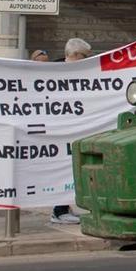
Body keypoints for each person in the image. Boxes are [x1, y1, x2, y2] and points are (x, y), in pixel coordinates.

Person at [51, 39, 92, 224]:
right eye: (85, 57)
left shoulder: (82, 72)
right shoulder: (53, 71)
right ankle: (58, 211)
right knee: (60, 169)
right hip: (58, 130)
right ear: (75, 55)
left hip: (75, 128)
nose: (87, 60)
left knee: (71, 169)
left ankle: (64, 208)